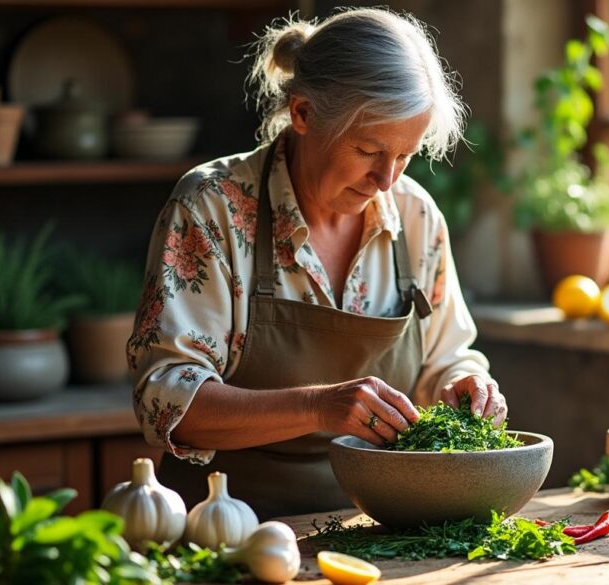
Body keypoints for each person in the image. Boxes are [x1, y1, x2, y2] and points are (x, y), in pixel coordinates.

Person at [126, 7, 507, 519]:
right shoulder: (211, 208)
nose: (387, 180)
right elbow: (168, 402)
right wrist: (317, 406)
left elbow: (446, 357)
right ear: (303, 113)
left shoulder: (415, 216)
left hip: (378, 525)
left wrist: (463, 382)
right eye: (369, 149)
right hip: (230, 523)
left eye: (405, 155)